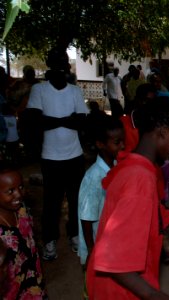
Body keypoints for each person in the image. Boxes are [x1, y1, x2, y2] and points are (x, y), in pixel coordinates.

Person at [86, 98, 169, 299]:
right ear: (162, 133)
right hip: (120, 292)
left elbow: (158, 217)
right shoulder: (140, 179)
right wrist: (152, 294)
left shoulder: (136, 166)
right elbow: (112, 258)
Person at [26, 47, 88, 260]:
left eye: (64, 62)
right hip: (51, 157)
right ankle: (50, 241)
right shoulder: (39, 90)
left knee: (75, 199)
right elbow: (34, 120)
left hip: (74, 156)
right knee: (51, 201)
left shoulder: (74, 91)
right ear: (50, 64)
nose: (62, 66)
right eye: (58, 62)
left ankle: (75, 235)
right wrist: (66, 120)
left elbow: (82, 120)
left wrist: (51, 121)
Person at [78, 116, 125, 268]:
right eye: (117, 143)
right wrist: (92, 252)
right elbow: (86, 219)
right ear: (100, 144)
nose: (122, 146)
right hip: (98, 246)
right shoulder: (94, 178)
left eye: (122, 141)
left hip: (111, 240)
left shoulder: (117, 166)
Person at [0, 164, 47, 298]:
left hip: (33, 280)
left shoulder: (21, 210)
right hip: (11, 290)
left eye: (20, 187)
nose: (19, 194)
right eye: (10, 191)